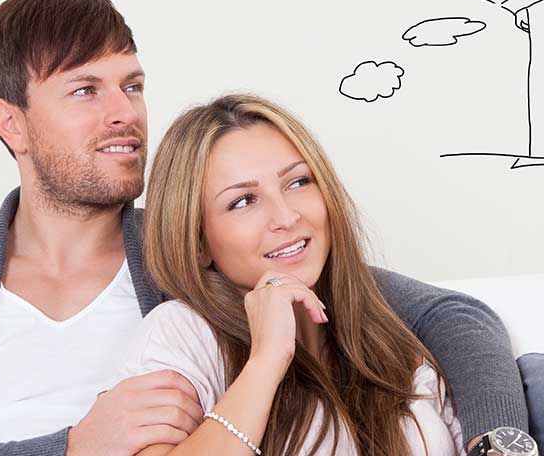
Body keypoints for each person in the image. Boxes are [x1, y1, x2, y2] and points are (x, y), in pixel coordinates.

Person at [0, 0, 528, 456]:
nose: (124, 112)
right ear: (13, 124)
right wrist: (72, 448)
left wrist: (497, 439)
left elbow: (452, 317)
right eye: (86, 91)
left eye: (131, 84)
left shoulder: (201, 251)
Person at [124, 93, 463, 455]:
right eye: (243, 201)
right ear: (197, 243)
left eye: (298, 182)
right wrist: (267, 360)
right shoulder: (182, 334)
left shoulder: (392, 339)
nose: (286, 217)